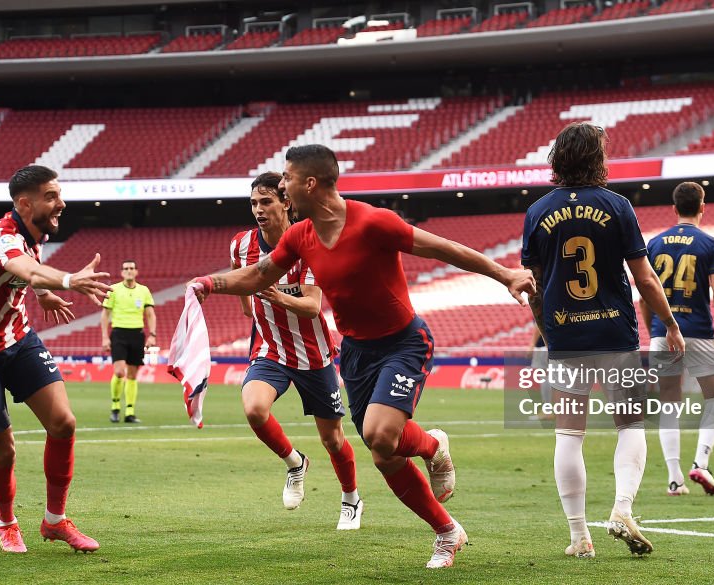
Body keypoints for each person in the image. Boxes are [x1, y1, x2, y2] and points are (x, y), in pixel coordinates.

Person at [190, 144, 534, 569]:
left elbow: (442, 248)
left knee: (380, 434)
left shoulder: (372, 221)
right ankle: (446, 526)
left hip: (404, 343)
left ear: (309, 183)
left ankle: (431, 450)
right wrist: (210, 283)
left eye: (287, 178)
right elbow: (260, 275)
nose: (281, 185)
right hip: (355, 353)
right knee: (381, 450)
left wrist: (506, 274)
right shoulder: (301, 236)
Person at [522, 122, 685, 559]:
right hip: (615, 333)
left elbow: (533, 286)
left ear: (558, 159)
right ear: (598, 159)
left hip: (565, 336)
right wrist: (669, 323)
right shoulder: (617, 206)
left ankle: (579, 537)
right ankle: (622, 508)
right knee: (630, 425)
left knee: (568, 436)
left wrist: (548, 332)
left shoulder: (537, 212)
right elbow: (645, 278)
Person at [0, 165, 112, 553]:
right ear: (25, 203)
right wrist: (68, 281)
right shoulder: (0, 237)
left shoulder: (34, 233)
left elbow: (27, 272)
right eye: (51, 197)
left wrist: (41, 296)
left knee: (63, 422)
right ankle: (7, 522)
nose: (61, 203)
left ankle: (55, 521)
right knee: (4, 451)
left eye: (59, 195)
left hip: (17, 338)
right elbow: (25, 268)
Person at [229, 171, 362, 530]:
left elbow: (313, 306)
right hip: (270, 351)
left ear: (287, 202)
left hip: (314, 355)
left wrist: (274, 296)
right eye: (254, 202)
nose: (258, 209)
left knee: (333, 440)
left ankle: (351, 497)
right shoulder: (241, 246)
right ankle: (295, 463)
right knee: (255, 410)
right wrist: (257, 316)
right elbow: (243, 290)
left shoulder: (309, 244)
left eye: (266, 201)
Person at [642, 181, 714, 497]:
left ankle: (674, 478)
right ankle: (702, 462)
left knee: (669, 402)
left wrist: (655, 327)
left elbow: (644, 294)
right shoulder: (710, 244)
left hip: (664, 332)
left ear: (674, 208)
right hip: (698, 331)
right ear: (702, 207)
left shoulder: (654, 244)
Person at [101, 259, 156, 423]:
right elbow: (105, 315)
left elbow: (150, 314)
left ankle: (130, 412)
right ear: (122, 272)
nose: (129, 271)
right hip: (119, 333)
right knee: (119, 372)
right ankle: (115, 407)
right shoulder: (114, 290)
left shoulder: (144, 290)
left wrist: (152, 334)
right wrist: (105, 337)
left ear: (136, 271)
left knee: (132, 374)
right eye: (126, 268)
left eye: (132, 268)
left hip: (137, 334)